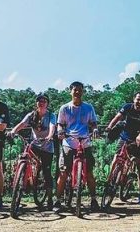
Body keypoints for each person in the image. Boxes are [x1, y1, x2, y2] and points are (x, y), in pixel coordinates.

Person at [54, 81, 99, 212]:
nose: (77, 92)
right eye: (75, 90)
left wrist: (95, 129)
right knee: (64, 172)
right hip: (69, 141)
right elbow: (60, 124)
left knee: (89, 173)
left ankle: (93, 199)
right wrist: (60, 131)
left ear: (83, 92)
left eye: (80, 90)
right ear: (71, 91)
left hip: (85, 141)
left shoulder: (89, 107)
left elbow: (93, 123)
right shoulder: (64, 108)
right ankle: (57, 201)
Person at [9, 93, 56, 210]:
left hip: (47, 146)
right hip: (35, 144)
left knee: (46, 171)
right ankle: (24, 175)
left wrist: (50, 136)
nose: (41, 103)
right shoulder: (31, 115)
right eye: (39, 101)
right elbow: (22, 124)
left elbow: (52, 126)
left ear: (47, 104)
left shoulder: (51, 115)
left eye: (44, 101)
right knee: (24, 155)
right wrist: (13, 131)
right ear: (36, 103)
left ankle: (50, 198)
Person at [105, 91, 140, 204]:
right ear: (134, 99)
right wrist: (109, 127)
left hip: (139, 139)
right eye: (137, 99)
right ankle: (110, 182)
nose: (139, 102)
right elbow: (118, 117)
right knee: (116, 158)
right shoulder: (127, 107)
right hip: (125, 136)